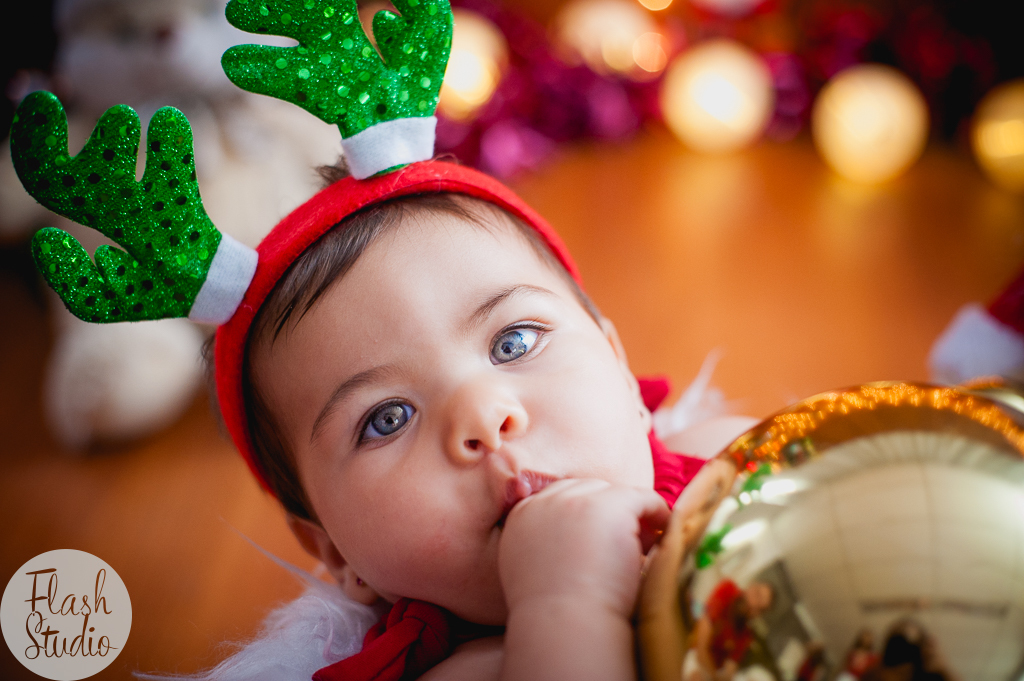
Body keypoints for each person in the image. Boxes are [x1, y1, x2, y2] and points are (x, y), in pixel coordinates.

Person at [9, 1, 754, 677]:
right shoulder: (478, 667)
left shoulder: (732, 467)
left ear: (622, 370)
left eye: (515, 340)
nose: (482, 418)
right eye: (385, 417)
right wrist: (566, 597)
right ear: (336, 551)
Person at [685, 579, 775, 681]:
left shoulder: (745, 636)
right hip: (696, 659)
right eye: (757, 593)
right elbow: (701, 649)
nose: (754, 603)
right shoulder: (728, 590)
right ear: (752, 586)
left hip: (715, 672)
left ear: (758, 613)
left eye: (760, 607)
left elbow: (729, 671)